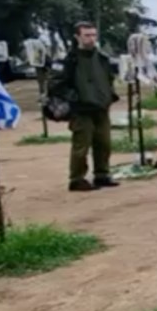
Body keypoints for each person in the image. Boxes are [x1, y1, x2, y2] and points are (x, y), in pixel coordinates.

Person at [50, 22, 119, 191]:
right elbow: (56, 84)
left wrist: (108, 95)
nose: (91, 39)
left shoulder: (102, 58)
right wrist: (75, 98)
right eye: (87, 35)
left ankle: (102, 174)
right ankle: (77, 178)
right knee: (81, 145)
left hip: (101, 107)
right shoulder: (68, 60)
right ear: (77, 37)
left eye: (94, 35)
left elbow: (109, 78)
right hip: (81, 109)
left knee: (104, 143)